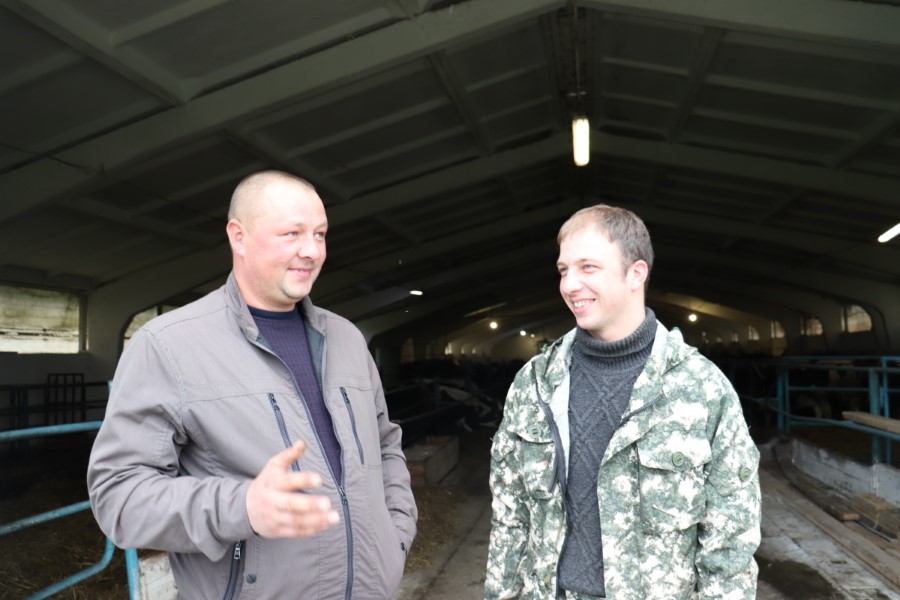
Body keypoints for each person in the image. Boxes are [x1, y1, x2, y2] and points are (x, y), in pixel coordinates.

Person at [88, 170, 417, 599]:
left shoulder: (347, 339)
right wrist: (241, 507)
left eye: (319, 234)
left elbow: (385, 446)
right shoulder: (169, 346)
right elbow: (119, 498)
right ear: (238, 237)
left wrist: (396, 537)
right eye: (292, 233)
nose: (311, 250)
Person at [485, 204, 760, 599]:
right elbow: (510, 521)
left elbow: (730, 541)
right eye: (563, 270)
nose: (570, 284)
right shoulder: (536, 384)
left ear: (636, 274)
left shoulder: (701, 388)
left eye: (588, 267)